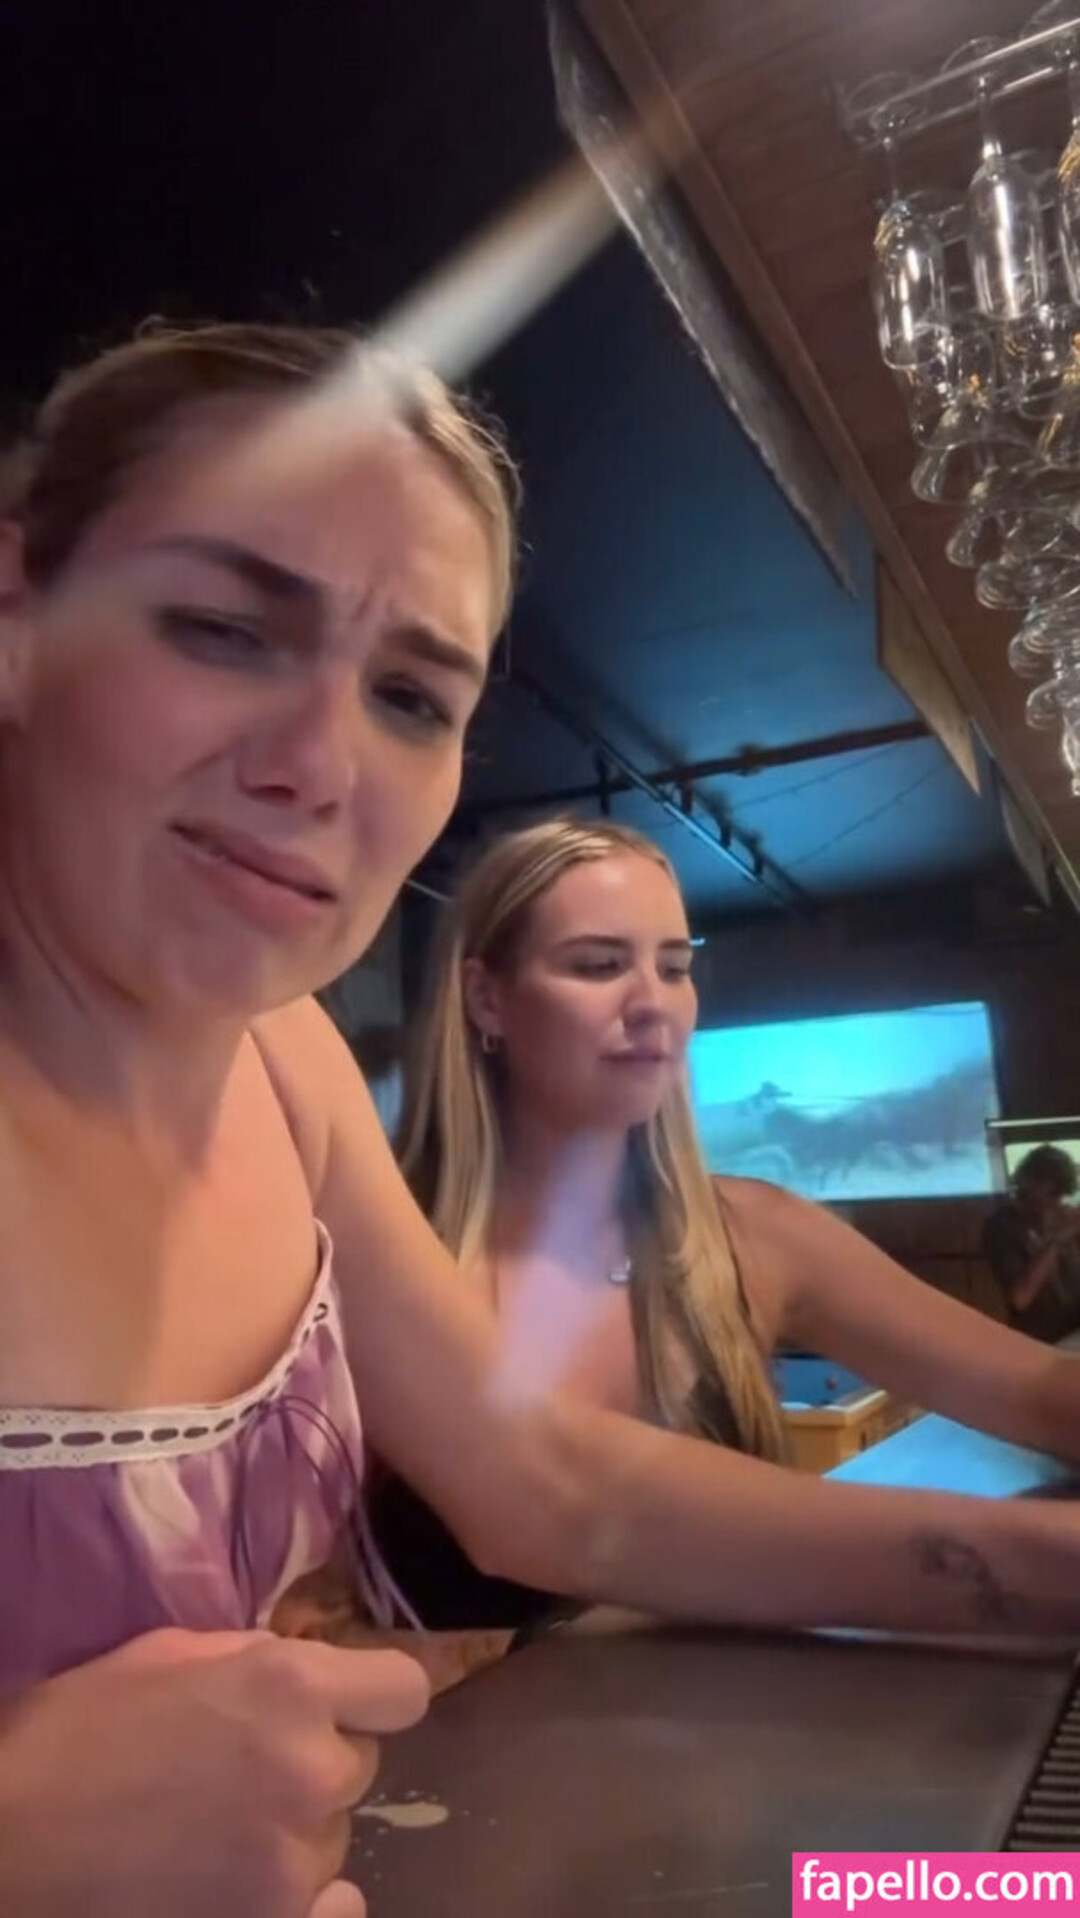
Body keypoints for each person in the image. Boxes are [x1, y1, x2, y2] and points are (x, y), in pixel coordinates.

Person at [5, 324, 1080, 1918]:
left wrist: (1044, 1574)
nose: (319, 764)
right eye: (224, 627)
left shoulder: (288, 1062)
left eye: (410, 695)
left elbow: (552, 1490)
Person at [372, 815, 1080, 1627]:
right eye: (599, 965)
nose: (654, 1004)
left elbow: (1033, 1390)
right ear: (486, 998)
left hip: (747, 1707)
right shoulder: (385, 1254)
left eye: (675, 968)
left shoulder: (753, 1236)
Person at [981, 1145, 1080, 1343]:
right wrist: (1055, 1243)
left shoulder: (1065, 1218)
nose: (1057, 1202)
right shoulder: (1002, 1227)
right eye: (1051, 1193)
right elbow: (1020, 1299)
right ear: (1026, 1182)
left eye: (1061, 1195)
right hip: (1040, 1343)